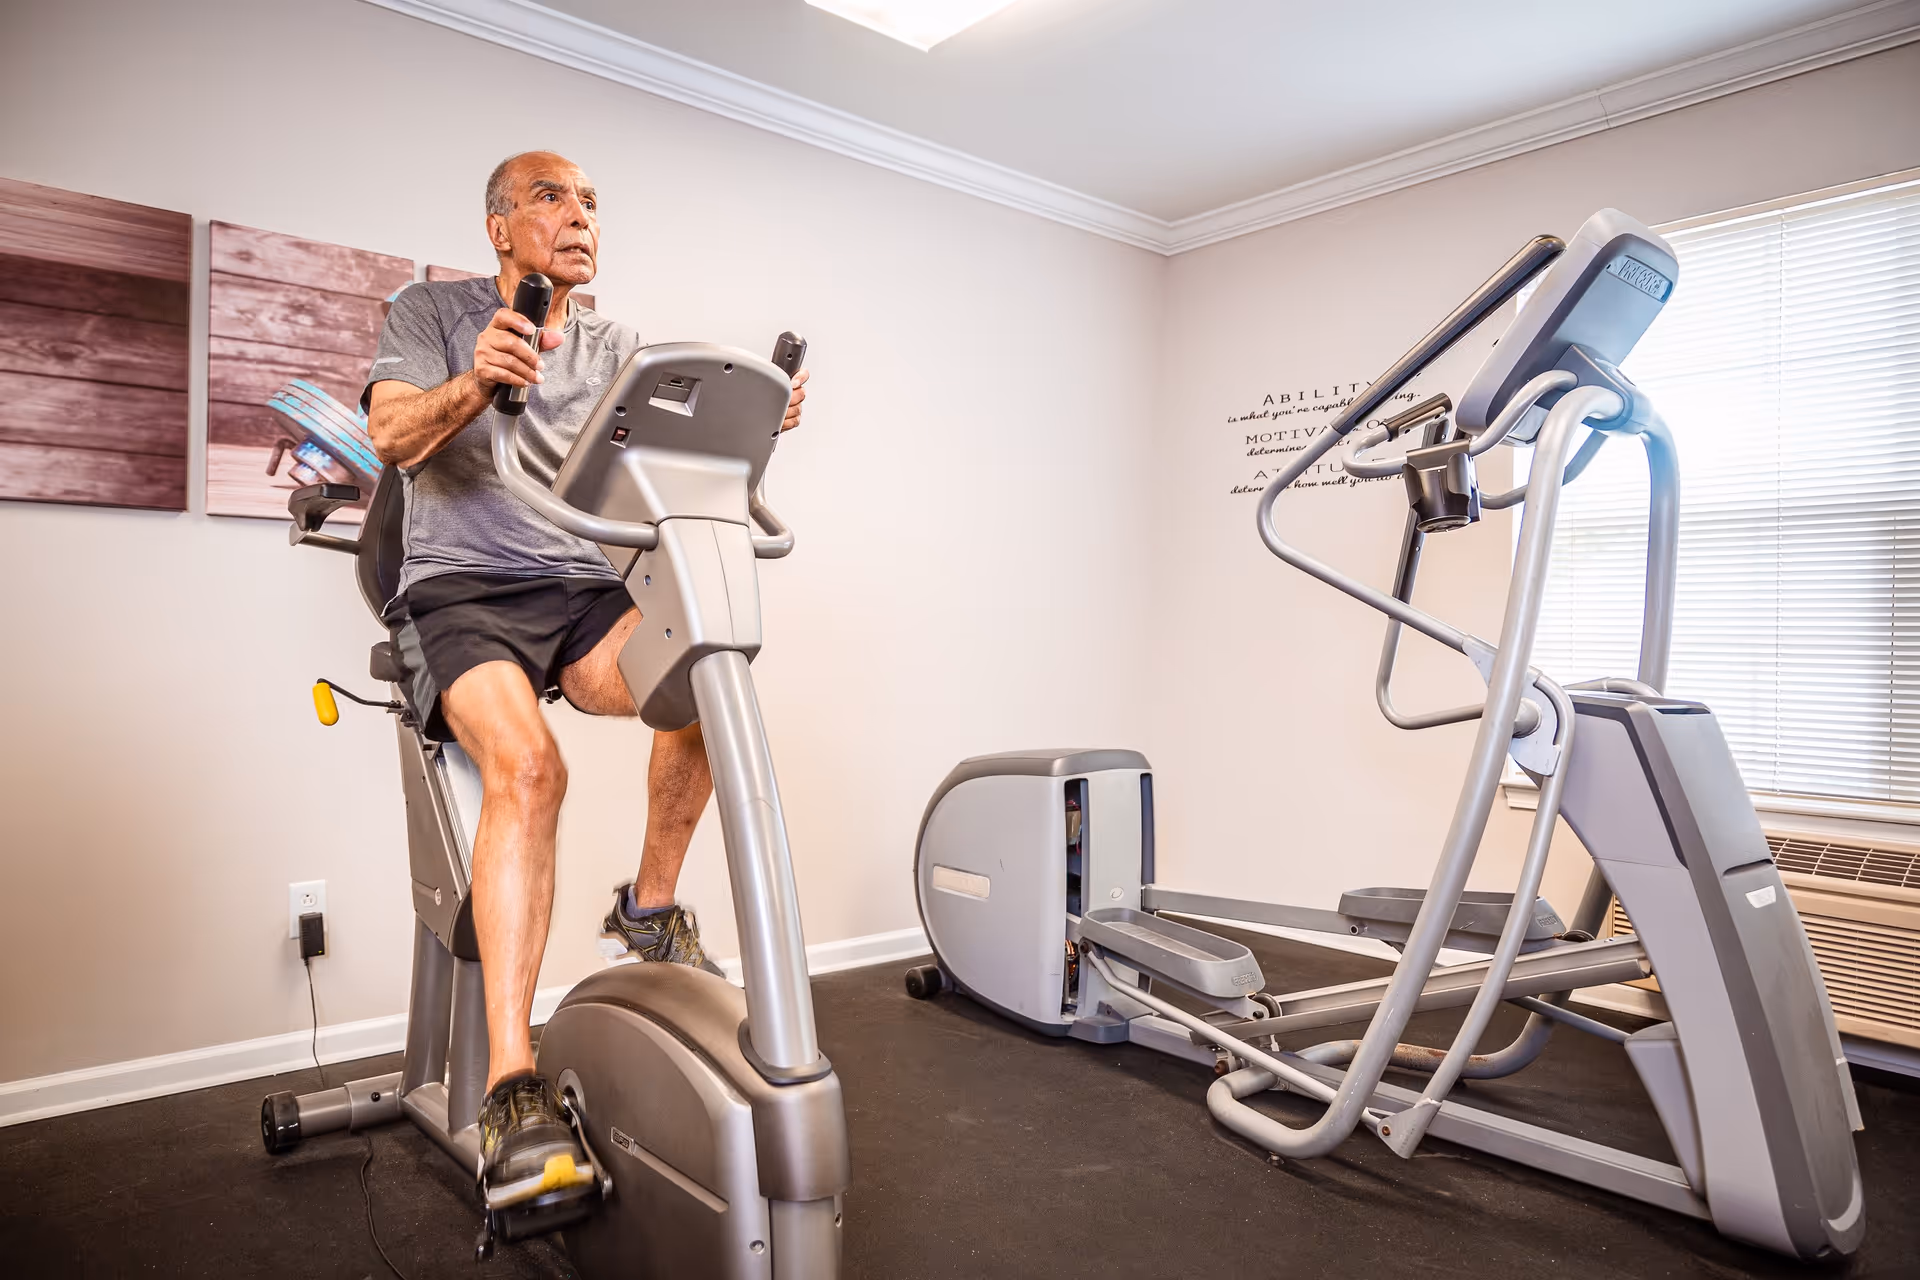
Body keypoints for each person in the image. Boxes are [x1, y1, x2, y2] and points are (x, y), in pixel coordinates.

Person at [361, 150, 808, 1198]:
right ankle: (510, 1079)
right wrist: (480, 377)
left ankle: (649, 911)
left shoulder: (614, 342)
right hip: (462, 589)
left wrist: (751, 429)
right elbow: (390, 432)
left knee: (705, 679)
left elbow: (652, 461)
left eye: (592, 201)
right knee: (529, 770)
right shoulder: (432, 310)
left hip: (577, 585)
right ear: (500, 227)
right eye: (552, 198)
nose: (578, 216)